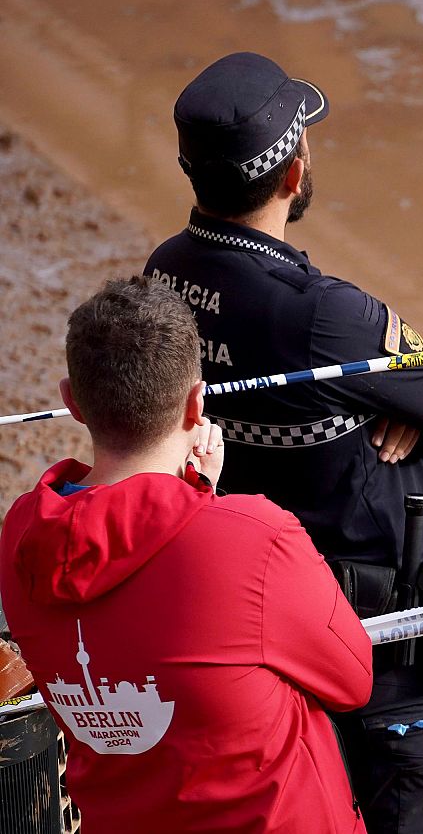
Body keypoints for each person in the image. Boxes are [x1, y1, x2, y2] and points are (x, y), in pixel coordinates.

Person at [144, 53, 423, 833]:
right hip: (365, 639)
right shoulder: (330, 316)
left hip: (237, 615)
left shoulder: (164, 272)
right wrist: (382, 402)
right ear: (294, 172)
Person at [0, 277, 372, 833]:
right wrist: (207, 502)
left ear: (72, 402)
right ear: (198, 402)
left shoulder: (22, 538)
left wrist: (194, 498)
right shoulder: (256, 537)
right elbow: (353, 679)